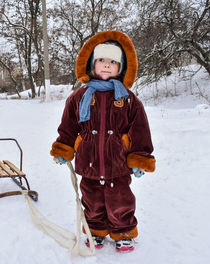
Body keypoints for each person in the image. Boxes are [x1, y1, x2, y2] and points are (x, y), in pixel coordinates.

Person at [50, 30, 155, 252]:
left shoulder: (127, 98)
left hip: (117, 162)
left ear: (121, 67)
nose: (106, 65)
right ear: (92, 63)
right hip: (89, 161)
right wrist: (64, 148)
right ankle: (95, 231)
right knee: (92, 200)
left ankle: (123, 232)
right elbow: (68, 126)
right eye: (101, 60)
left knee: (121, 201)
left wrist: (139, 158)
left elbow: (140, 129)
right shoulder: (79, 97)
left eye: (113, 62)